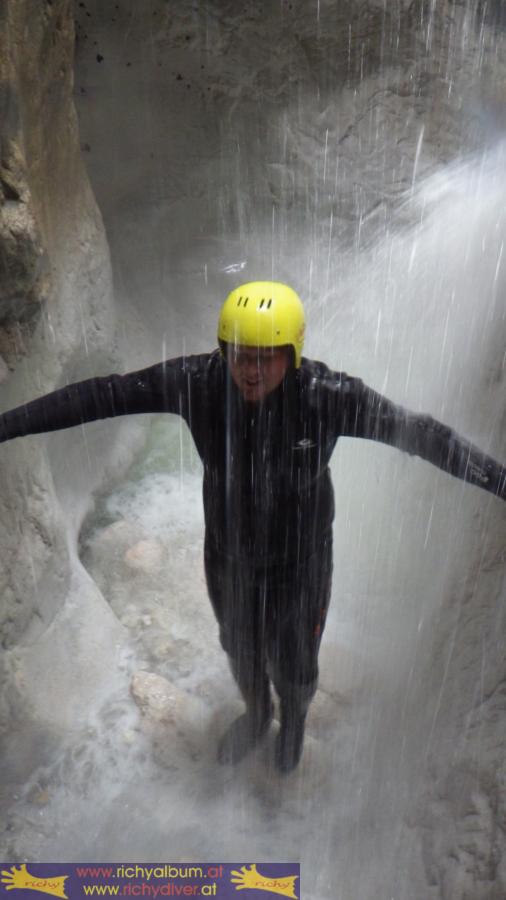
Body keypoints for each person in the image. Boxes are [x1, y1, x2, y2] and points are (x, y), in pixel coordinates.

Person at [0, 281, 504, 773]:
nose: (250, 369)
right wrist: (7, 425)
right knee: (240, 649)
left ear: (293, 354)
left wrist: (500, 482)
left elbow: (423, 434)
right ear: (224, 350)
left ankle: (294, 723)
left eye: (266, 357)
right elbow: (100, 395)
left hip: (302, 561)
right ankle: (258, 713)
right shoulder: (199, 382)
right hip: (230, 555)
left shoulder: (326, 396)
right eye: (240, 354)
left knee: (296, 663)